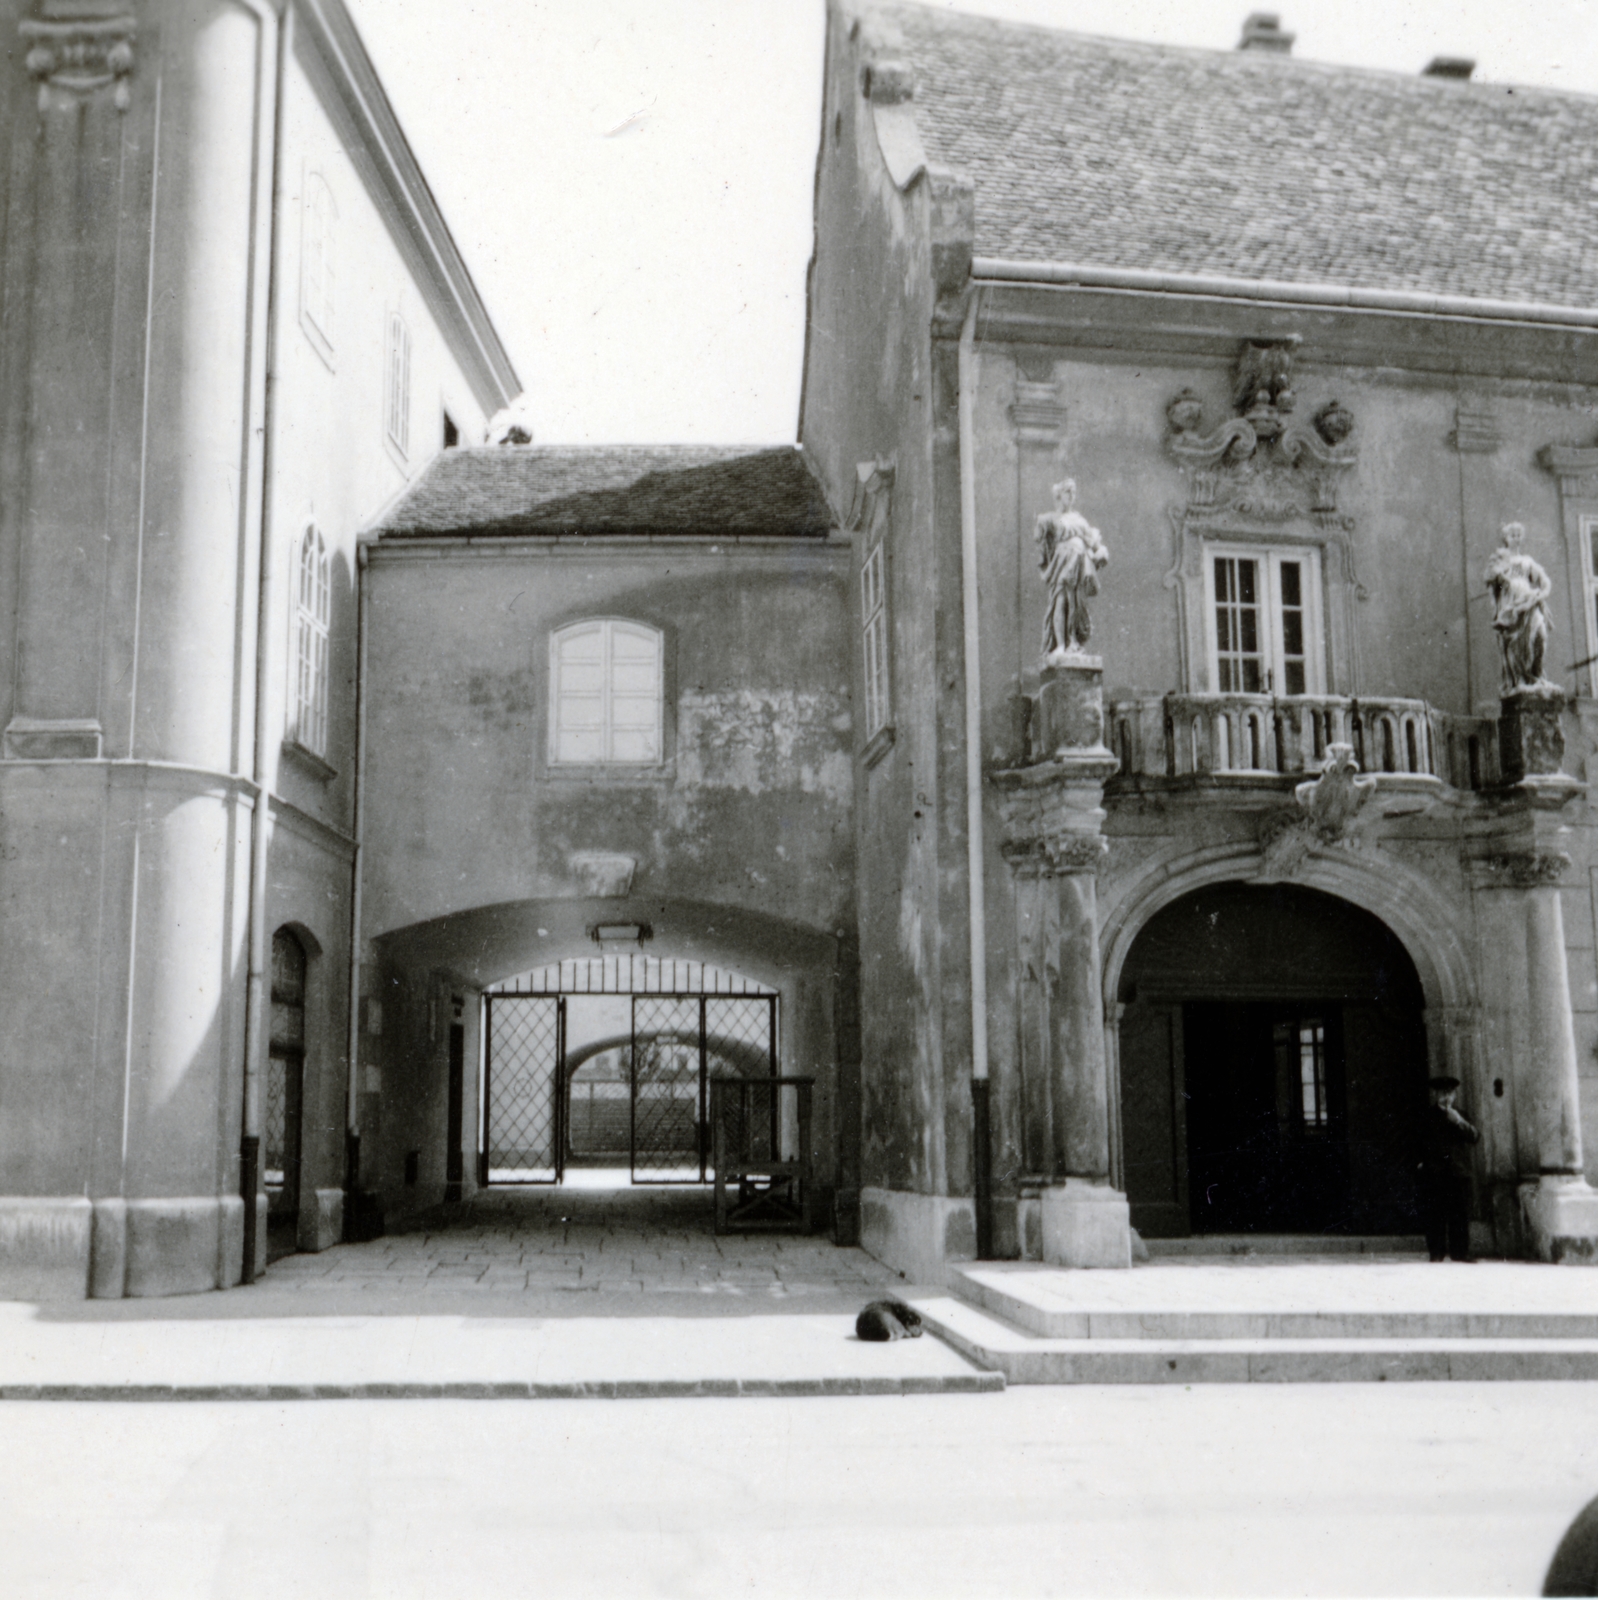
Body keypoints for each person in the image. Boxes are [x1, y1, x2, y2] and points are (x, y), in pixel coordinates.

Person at [1034, 478, 1109, 659]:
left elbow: (1094, 543)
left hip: (1079, 563)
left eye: (1073, 493)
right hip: (1062, 561)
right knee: (1059, 600)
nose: (1072, 496)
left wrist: (1102, 553)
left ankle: (1072, 643)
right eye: (1068, 492)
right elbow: (1041, 541)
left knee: (1074, 602)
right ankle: (1060, 645)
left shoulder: (1080, 520)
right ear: (1059, 495)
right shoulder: (1051, 518)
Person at [1484, 521, 1553, 690]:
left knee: (1540, 635)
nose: (1516, 538)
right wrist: (1500, 578)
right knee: (1515, 642)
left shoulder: (1527, 561)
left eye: (1518, 535)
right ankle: (1520, 680)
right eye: (1512, 535)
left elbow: (1544, 580)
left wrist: (1543, 593)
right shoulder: (1501, 559)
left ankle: (1536, 674)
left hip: (1529, 601)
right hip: (1511, 605)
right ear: (1506, 538)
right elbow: (1491, 580)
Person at [1419, 1075, 1479, 1262]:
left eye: (1450, 1093)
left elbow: (1475, 1137)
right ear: (1436, 1094)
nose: (1447, 1098)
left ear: (1454, 1095)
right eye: (1443, 1093)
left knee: (1459, 1214)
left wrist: (1459, 1122)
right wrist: (1421, 1163)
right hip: (1435, 1173)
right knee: (1435, 1214)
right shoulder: (1427, 1116)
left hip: (1458, 1172)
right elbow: (1417, 1142)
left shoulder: (1460, 1115)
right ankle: (1436, 1252)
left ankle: (1460, 1252)